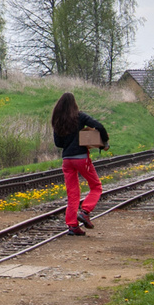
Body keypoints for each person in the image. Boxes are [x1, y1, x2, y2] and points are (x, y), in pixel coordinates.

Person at [51, 92, 107, 235]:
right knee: (96, 186)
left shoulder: (57, 120)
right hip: (81, 158)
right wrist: (104, 142)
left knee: (73, 193)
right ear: (74, 104)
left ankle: (72, 226)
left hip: (67, 160)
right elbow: (98, 126)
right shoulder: (79, 116)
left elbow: (58, 143)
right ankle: (85, 211)